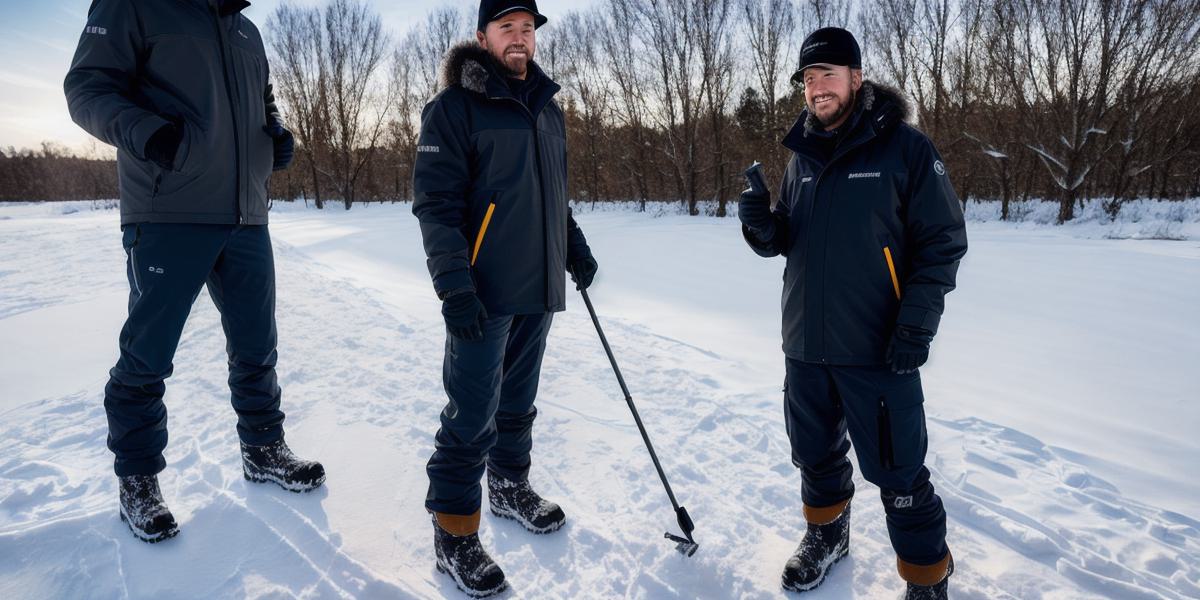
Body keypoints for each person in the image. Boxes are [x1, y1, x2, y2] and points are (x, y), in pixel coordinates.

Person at [64, 0, 323, 544]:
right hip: (168, 209)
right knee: (148, 355)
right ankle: (137, 478)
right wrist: (151, 134)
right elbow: (86, 87)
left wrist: (273, 134)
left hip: (247, 212)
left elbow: (263, 101)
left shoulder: (245, 28)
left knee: (257, 347)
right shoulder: (133, 5)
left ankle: (263, 450)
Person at [738, 27, 968, 599]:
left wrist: (916, 324)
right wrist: (760, 224)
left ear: (857, 79)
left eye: (828, 76)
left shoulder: (906, 149)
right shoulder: (803, 158)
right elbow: (788, 238)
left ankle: (926, 577)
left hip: (878, 345)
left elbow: (941, 243)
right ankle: (827, 537)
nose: (817, 88)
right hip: (806, 344)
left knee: (899, 471)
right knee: (815, 458)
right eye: (809, 79)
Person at [411, 0, 598, 596]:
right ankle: (455, 533)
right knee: (471, 415)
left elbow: (552, 193)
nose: (519, 38)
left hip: (537, 285)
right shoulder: (452, 109)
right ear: (482, 36)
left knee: (518, 403)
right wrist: (454, 287)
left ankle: (510, 487)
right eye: (506, 28)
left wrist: (572, 244)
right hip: (482, 293)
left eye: (527, 29)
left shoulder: (547, 109)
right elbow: (435, 207)